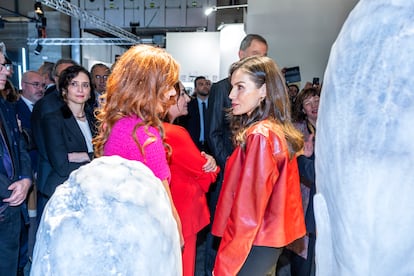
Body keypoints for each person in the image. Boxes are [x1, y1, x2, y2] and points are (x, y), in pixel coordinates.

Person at [211, 56, 306, 276]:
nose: (231, 95)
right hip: (264, 239)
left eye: (240, 87)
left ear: (263, 91)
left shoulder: (261, 135)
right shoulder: (272, 130)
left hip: (253, 240)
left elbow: (248, 211)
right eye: (233, 87)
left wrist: (225, 265)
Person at [93, 44, 184, 246]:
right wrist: (177, 239)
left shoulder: (117, 124)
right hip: (143, 237)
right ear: (146, 86)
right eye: (167, 84)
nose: (171, 93)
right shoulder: (143, 134)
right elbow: (166, 206)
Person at [205, 33, 268, 275]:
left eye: (264, 56)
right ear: (241, 55)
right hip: (227, 174)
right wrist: (231, 165)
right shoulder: (222, 89)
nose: (260, 60)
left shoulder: (263, 96)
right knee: (219, 233)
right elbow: (213, 133)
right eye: (255, 55)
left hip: (251, 180)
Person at [163, 81, 219, 276]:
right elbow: (207, 173)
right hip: (183, 214)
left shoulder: (151, 129)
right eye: (182, 95)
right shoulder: (174, 133)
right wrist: (211, 164)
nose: (188, 99)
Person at [38, 65, 96, 209]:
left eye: (85, 85)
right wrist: (94, 158)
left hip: (91, 189)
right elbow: (62, 166)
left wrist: (84, 155)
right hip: (63, 192)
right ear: (64, 90)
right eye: (74, 84)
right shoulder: (53, 119)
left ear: (90, 91)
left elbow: (105, 155)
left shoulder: (95, 120)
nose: (80, 90)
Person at [31, 58, 78, 219]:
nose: (70, 80)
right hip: (53, 180)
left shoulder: (80, 104)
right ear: (55, 78)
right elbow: (50, 150)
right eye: (65, 75)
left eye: (73, 75)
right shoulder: (47, 106)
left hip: (72, 180)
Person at [0, 41, 32, 276]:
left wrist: (26, 180)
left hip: (12, 207)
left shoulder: (6, 105)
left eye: (6, 65)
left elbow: (20, 145)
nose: (8, 71)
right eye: (1, 66)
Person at [288, 87, 320, 276]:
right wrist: (302, 155)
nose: (313, 105)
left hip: (324, 194)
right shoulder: (296, 130)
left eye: (316, 100)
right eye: (308, 103)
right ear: (302, 108)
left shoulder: (334, 125)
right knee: (302, 251)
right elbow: (288, 158)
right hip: (303, 194)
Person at [184, 76, 211, 153]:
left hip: (211, 146)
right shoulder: (188, 105)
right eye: (201, 84)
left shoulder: (215, 105)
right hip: (193, 145)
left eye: (207, 84)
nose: (205, 86)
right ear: (195, 89)